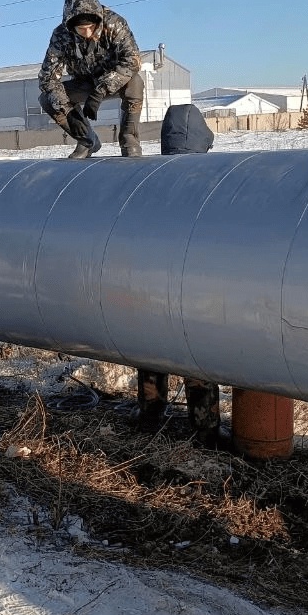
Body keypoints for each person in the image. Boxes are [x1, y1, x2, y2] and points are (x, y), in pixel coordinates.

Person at [134, 103, 224, 448]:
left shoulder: (149, 178)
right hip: (196, 287)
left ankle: (150, 416)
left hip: (151, 284)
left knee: (151, 348)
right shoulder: (215, 179)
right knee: (195, 354)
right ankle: (205, 429)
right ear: (203, 138)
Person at [38, 0, 145, 158]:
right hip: (84, 83)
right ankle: (88, 141)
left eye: (91, 27)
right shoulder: (61, 35)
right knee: (48, 99)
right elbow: (48, 78)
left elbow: (132, 60)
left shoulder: (115, 24)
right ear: (71, 25)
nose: (87, 33)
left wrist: (102, 90)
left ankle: (128, 139)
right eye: (81, 29)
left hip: (113, 80)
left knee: (135, 82)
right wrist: (70, 113)